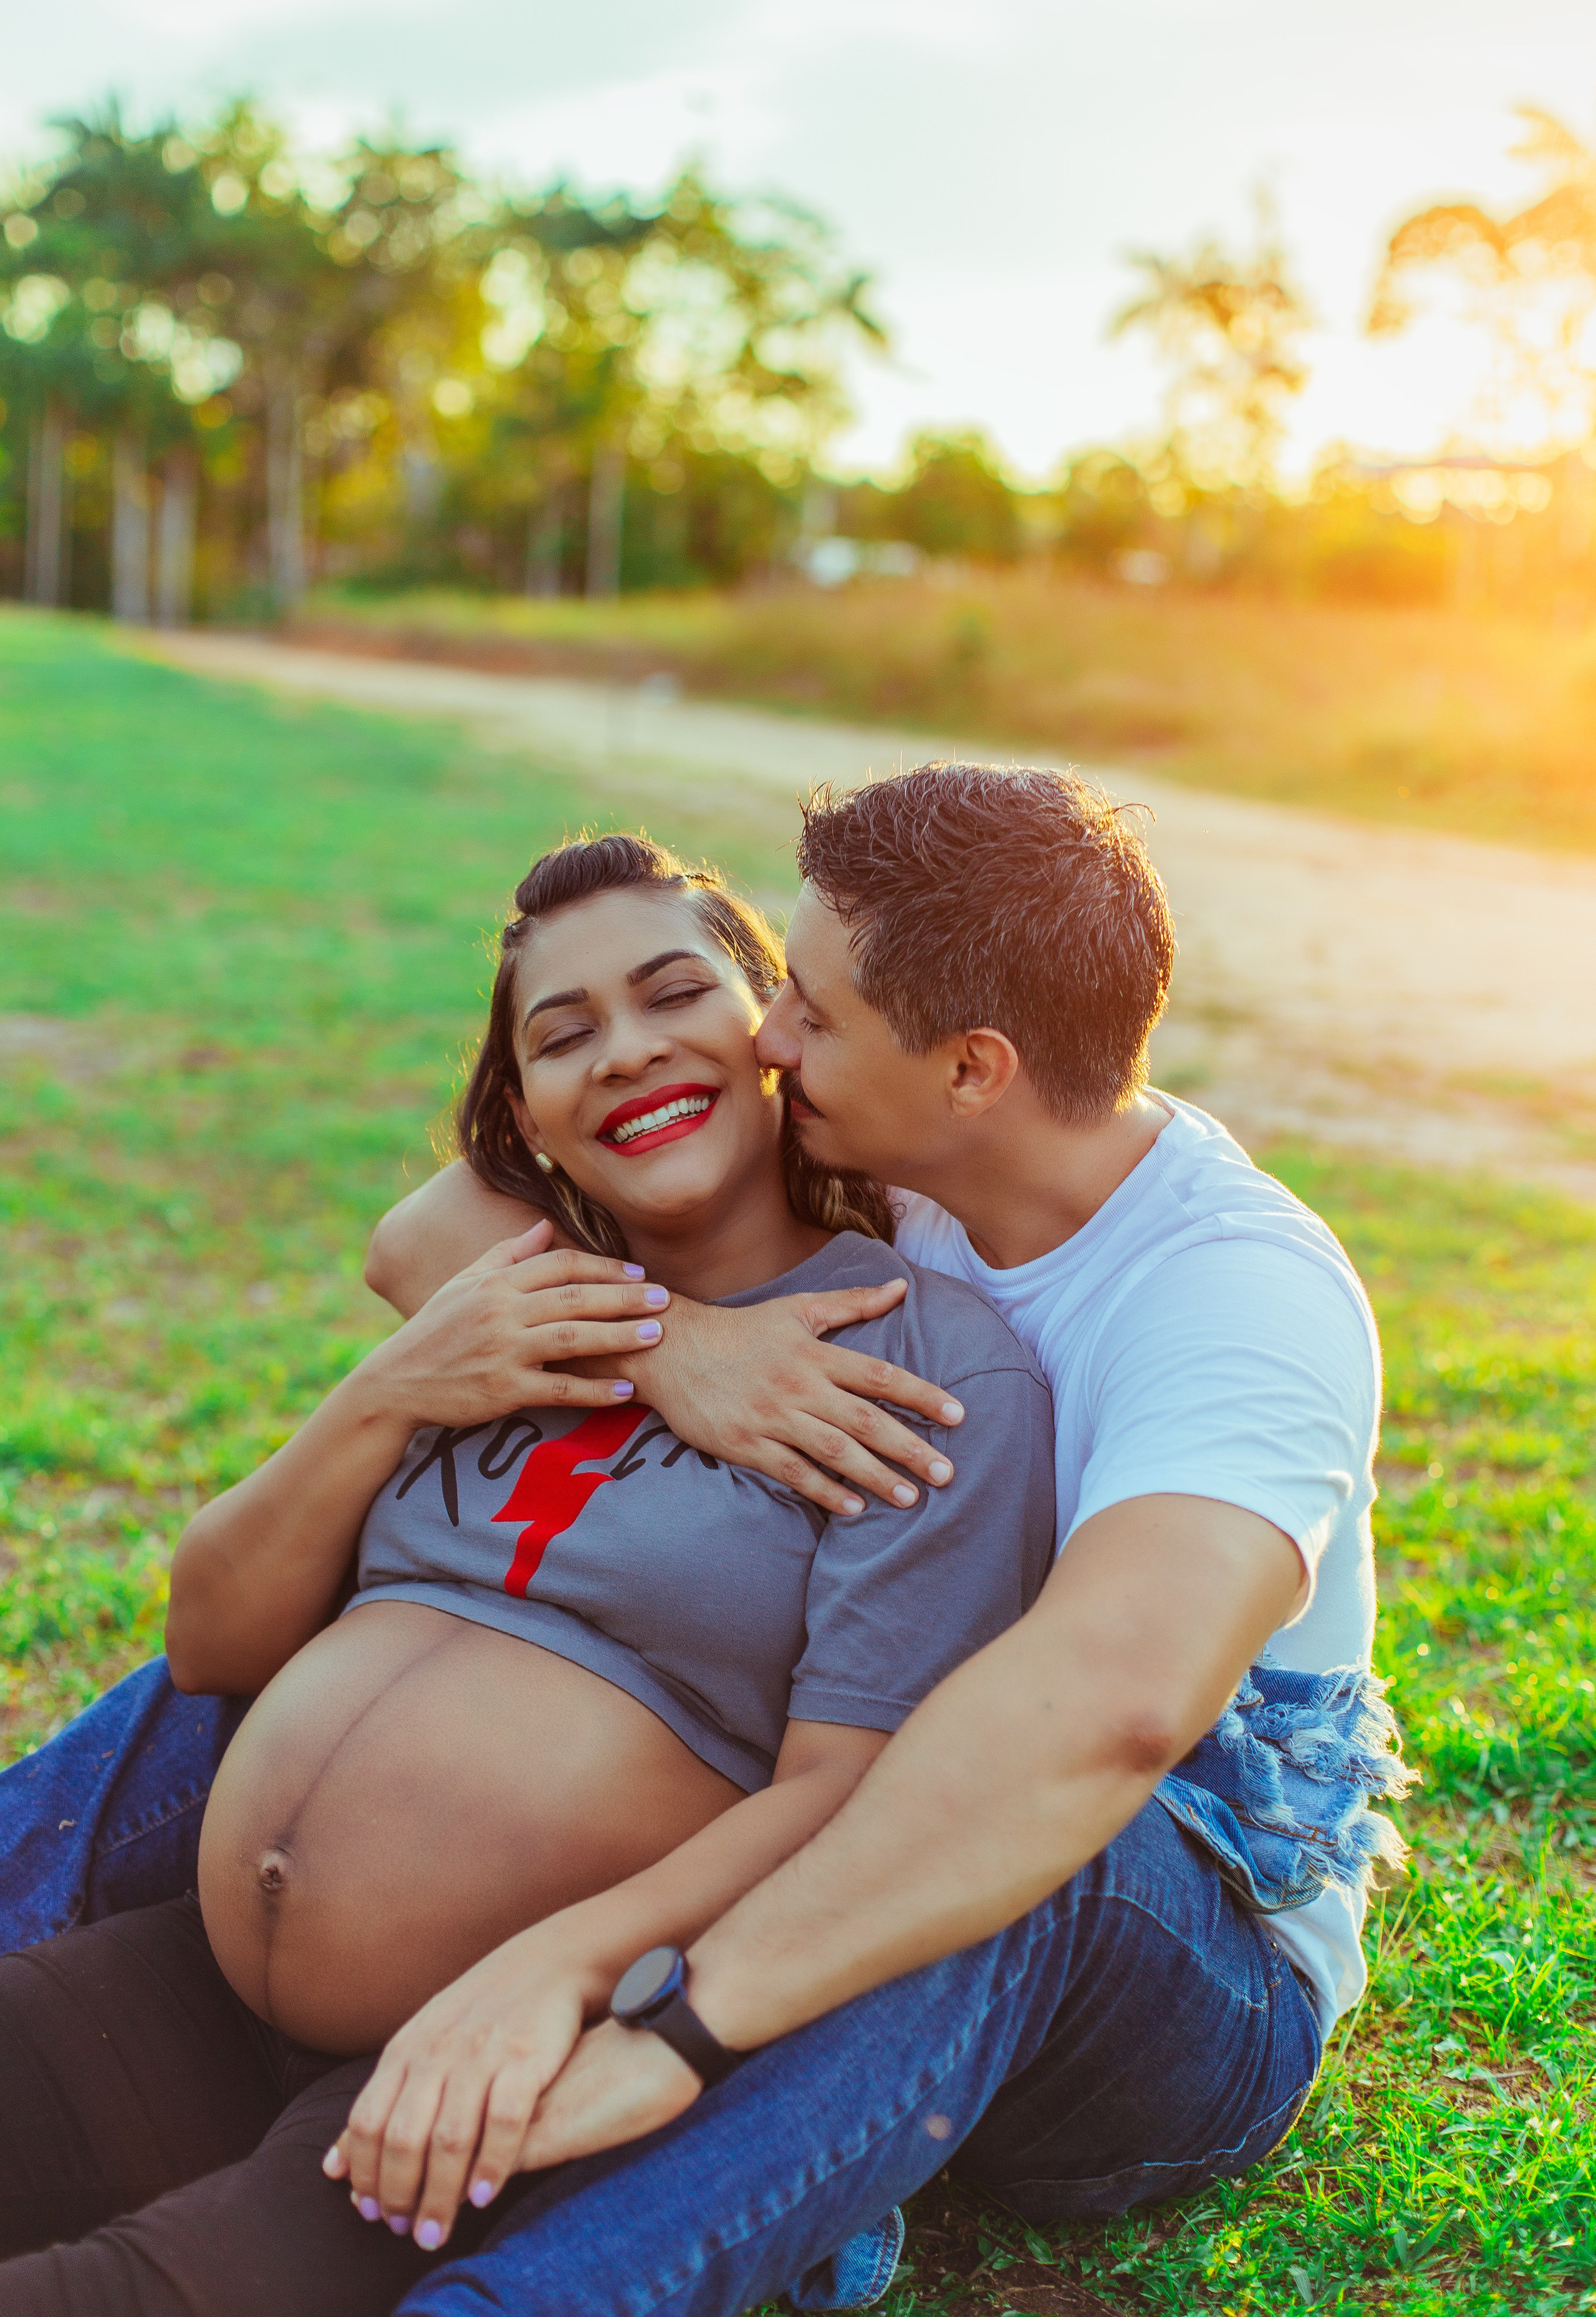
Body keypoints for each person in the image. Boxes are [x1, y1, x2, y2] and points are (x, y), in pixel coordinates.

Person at [0, 764, 1407, 2317]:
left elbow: (1101, 1716)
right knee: (277, 1658)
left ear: (971, 1071)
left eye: (798, 1009)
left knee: (983, 1826)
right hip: (544, 1879)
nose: (768, 1040)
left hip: (1161, 1927)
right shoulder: (883, 1150)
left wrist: (658, 2019)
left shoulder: (1229, 1303)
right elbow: (431, 1224)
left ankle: (590, 2248)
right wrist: (674, 1344)